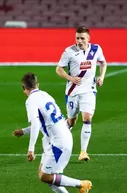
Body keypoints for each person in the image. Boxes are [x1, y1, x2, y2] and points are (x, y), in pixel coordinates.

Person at [13, 72, 92, 193]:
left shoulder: (31, 100)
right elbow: (47, 121)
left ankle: (82, 184)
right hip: (58, 138)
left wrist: (31, 148)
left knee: (45, 176)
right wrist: (24, 131)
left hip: (59, 142)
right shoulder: (45, 95)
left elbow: (37, 124)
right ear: (37, 85)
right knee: (43, 171)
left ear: (23, 88)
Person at [56, 26, 107, 161]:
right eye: (77, 38)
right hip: (73, 91)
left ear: (88, 38)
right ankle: (59, 144)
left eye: (82, 38)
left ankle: (83, 152)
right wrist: (71, 78)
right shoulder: (69, 51)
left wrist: (101, 76)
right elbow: (59, 69)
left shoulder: (96, 49)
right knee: (71, 121)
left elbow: (103, 62)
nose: (79, 41)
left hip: (89, 91)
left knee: (87, 118)